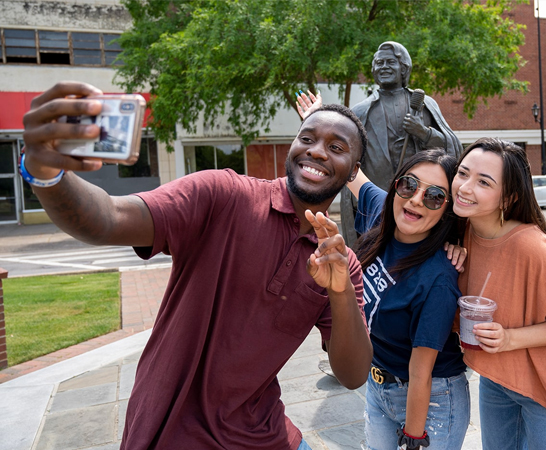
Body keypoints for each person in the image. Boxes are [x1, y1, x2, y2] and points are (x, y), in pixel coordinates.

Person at [20, 81, 373, 450]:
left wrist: (339, 291)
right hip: (173, 434)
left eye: (336, 147)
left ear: (353, 172)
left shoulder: (341, 265)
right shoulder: (222, 195)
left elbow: (353, 375)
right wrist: (45, 170)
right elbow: (107, 218)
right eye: (307, 138)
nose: (316, 152)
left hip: (265, 434)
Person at [451, 137, 546, 450]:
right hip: (497, 380)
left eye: (483, 182)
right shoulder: (460, 231)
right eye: (463, 173)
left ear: (508, 198)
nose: (465, 188)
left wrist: (509, 339)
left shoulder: (535, 249)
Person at [348, 150, 469, 450]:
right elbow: (352, 174)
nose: (416, 199)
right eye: (409, 185)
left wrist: (413, 440)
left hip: (431, 398)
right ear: (396, 186)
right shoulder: (383, 219)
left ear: (446, 210)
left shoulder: (438, 278)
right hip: (377, 386)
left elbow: (421, 372)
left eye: (434, 196)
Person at [339, 41, 461, 246]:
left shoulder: (424, 105)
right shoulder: (361, 111)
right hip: (376, 208)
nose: (383, 67)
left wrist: (424, 133)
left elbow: (452, 148)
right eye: (379, 63)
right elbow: (349, 164)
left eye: (390, 62)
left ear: (404, 69)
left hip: (420, 205)